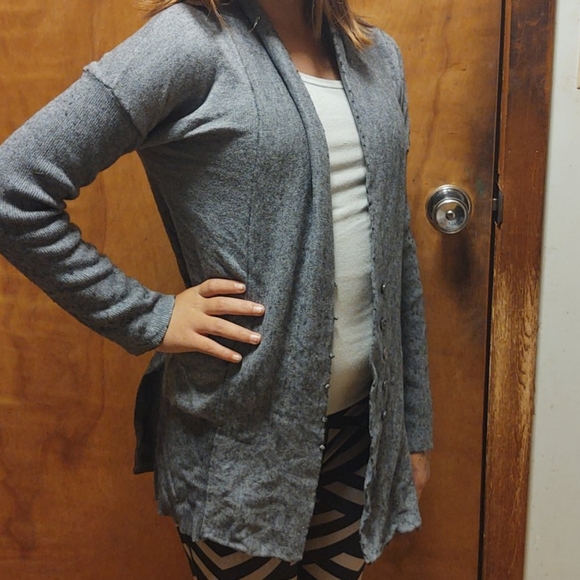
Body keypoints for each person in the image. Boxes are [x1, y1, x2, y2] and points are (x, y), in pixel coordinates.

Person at [0, 0, 432, 578]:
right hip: (240, 449)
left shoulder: (376, 57)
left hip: (363, 436)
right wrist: (150, 317)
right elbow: (13, 188)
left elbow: (397, 253)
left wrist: (411, 428)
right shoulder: (189, 43)